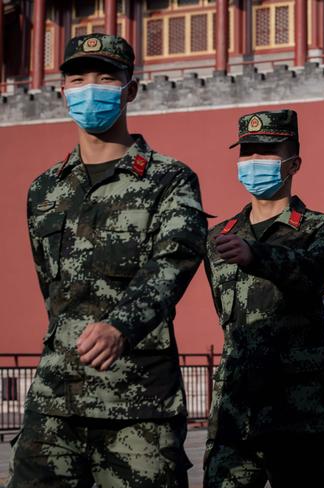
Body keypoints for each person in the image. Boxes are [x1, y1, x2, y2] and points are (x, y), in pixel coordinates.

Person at [8, 34, 207, 487]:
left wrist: (121, 325)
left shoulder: (169, 179)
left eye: (105, 78)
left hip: (139, 403)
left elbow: (173, 261)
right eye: (77, 80)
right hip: (55, 398)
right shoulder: (45, 190)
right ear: (63, 92)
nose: (89, 89)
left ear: (129, 89)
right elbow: (51, 288)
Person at [203, 109, 324, 487]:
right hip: (236, 409)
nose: (254, 161)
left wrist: (257, 256)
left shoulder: (322, 227)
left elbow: (316, 275)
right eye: (248, 152)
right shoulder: (219, 235)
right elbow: (226, 314)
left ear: (293, 162)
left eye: (267, 152)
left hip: (299, 410)